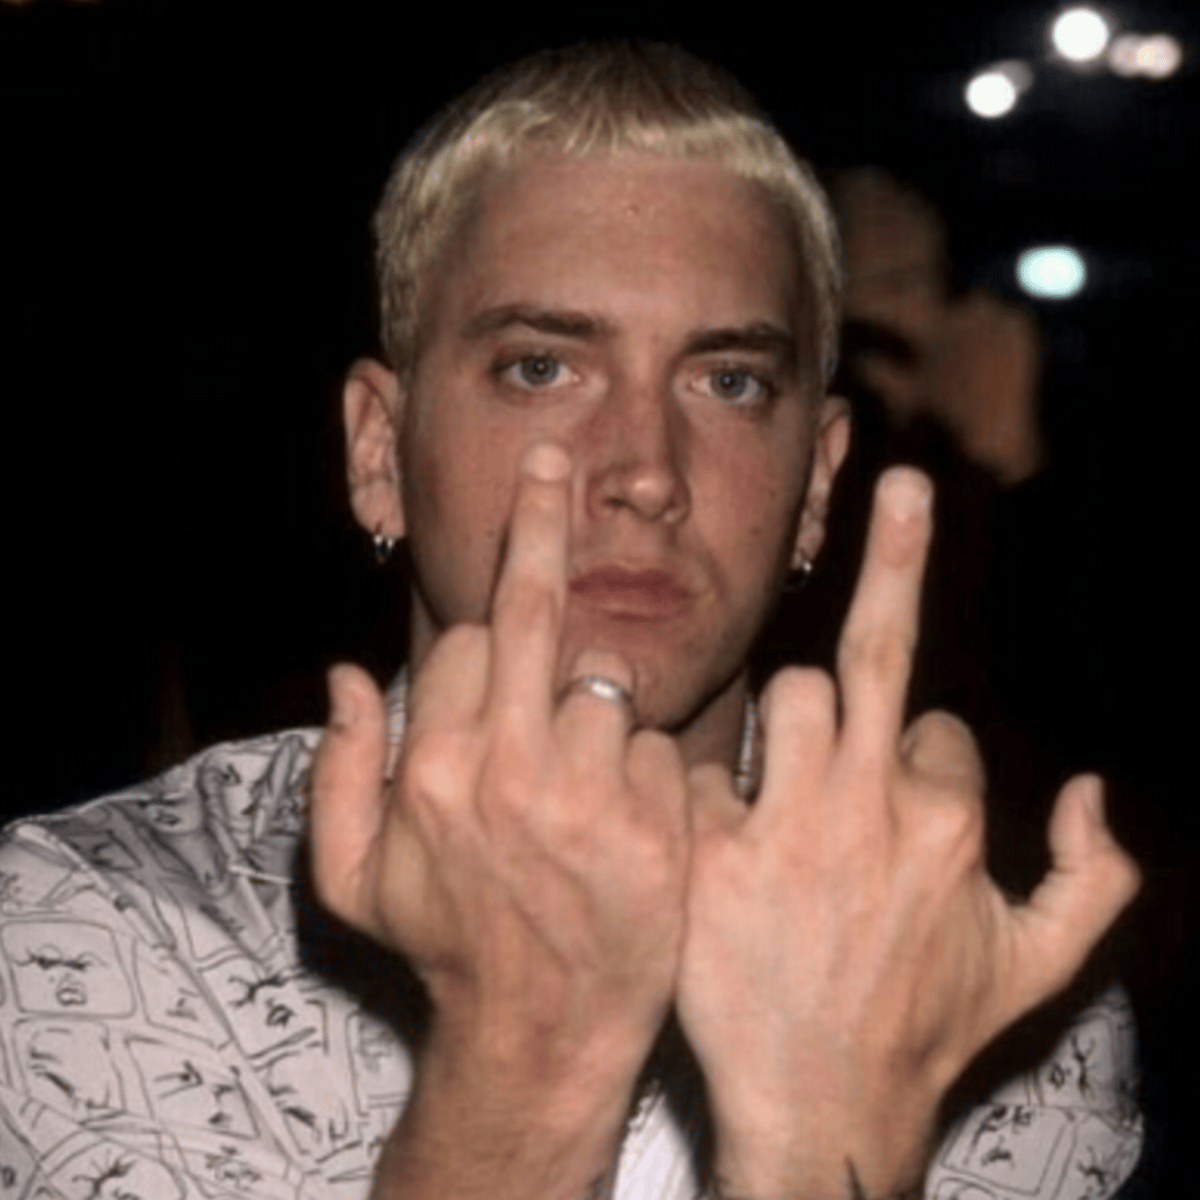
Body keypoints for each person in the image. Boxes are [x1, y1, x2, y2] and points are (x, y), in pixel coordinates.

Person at [0, 42, 1142, 1200]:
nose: (645, 470)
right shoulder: (96, 928)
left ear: (815, 484)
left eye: (729, 381)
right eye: (540, 368)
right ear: (379, 451)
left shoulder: (996, 1001)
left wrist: (829, 1124)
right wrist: (529, 1060)